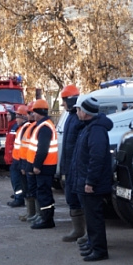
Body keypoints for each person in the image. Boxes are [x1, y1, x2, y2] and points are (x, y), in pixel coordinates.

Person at [74, 97, 114, 261]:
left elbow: (96, 158)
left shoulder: (96, 130)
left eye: (78, 110)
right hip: (87, 180)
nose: (77, 113)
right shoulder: (89, 127)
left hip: (93, 183)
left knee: (94, 217)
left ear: (85, 112)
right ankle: (93, 244)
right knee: (91, 216)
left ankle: (99, 250)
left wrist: (90, 181)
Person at [58, 84, 86, 242]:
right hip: (70, 167)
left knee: (82, 200)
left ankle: (86, 232)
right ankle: (78, 230)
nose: (62, 104)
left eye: (64, 100)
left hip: (77, 168)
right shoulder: (71, 117)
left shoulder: (77, 119)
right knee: (72, 198)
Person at [27, 98, 58, 229]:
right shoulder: (44, 125)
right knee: (43, 192)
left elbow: (42, 149)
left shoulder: (44, 127)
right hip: (46, 166)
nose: (32, 114)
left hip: (45, 167)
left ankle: (47, 220)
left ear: (38, 112)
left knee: (44, 193)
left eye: (34, 112)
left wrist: (37, 165)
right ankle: (46, 218)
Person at [19, 101, 38, 221]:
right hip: (26, 162)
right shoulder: (30, 127)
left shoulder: (35, 127)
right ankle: (31, 213)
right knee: (28, 189)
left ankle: (35, 214)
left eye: (30, 113)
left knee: (33, 189)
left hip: (30, 163)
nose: (28, 115)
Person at [6, 105, 28, 207]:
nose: (16, 119)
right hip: (16, 158)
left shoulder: (22, 128)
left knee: (17, 180)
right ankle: (18, 196)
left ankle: (19, 198)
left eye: (18, 117)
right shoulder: (18, 128)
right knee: (17, 180)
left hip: (19, 159)